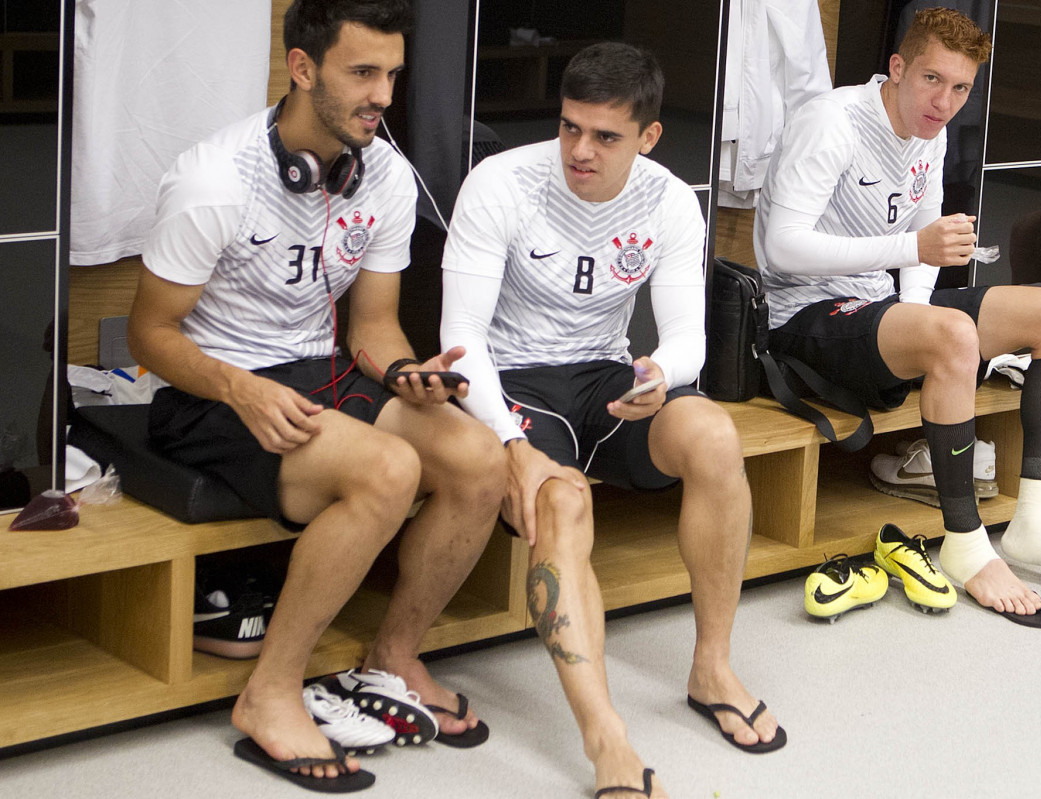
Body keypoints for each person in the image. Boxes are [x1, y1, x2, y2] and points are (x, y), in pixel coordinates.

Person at [127, 0, 505, 791]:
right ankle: (268, 693)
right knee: (390, 470)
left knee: (475, 453)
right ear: (302, 69)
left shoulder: (387, 177)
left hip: (320, 373)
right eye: (362, 73)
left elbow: (371, 324)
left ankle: (393, 656)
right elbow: (150, 335)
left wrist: (408, 376)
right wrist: (240, 387)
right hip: (215, 394)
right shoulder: (214, 178)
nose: (383, 95)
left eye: (392, 75)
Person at [440, 41, 785, 799]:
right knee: (563, 498)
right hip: (510, 381)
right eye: (569, 128)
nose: (580, 151)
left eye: (605, 136)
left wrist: (661, 375)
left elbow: (687, 339)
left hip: (605, 376)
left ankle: (712, 665)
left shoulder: (666, 198)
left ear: (649, 137)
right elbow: (460, 349)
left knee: (715, 435)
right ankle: (606, 739)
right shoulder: (500, 184)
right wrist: (508, 443)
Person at [755, 7, 1041, 628]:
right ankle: (966, 542)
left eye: (961, 88)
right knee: (952, 331)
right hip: (804, 315)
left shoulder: (930, 133)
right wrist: (913, 264)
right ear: (897, 69)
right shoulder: (832, 122)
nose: (944, 102)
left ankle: (1034, 528)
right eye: (931, 80)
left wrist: (916, 315)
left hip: (880, 307)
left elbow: (928, 235)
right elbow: (782, 247)